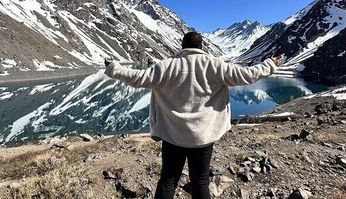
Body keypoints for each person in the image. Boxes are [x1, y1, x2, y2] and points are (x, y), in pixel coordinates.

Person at [104, 31, 283, 199]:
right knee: (200, 182)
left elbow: (137, 78)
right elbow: (248, 75)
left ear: (183, 47)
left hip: (172, 135)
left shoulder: (167, 66)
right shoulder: (216, 65)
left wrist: (113, 68)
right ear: (201, 47)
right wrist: (270, 64)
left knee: (168, 181)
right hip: (203, 137)